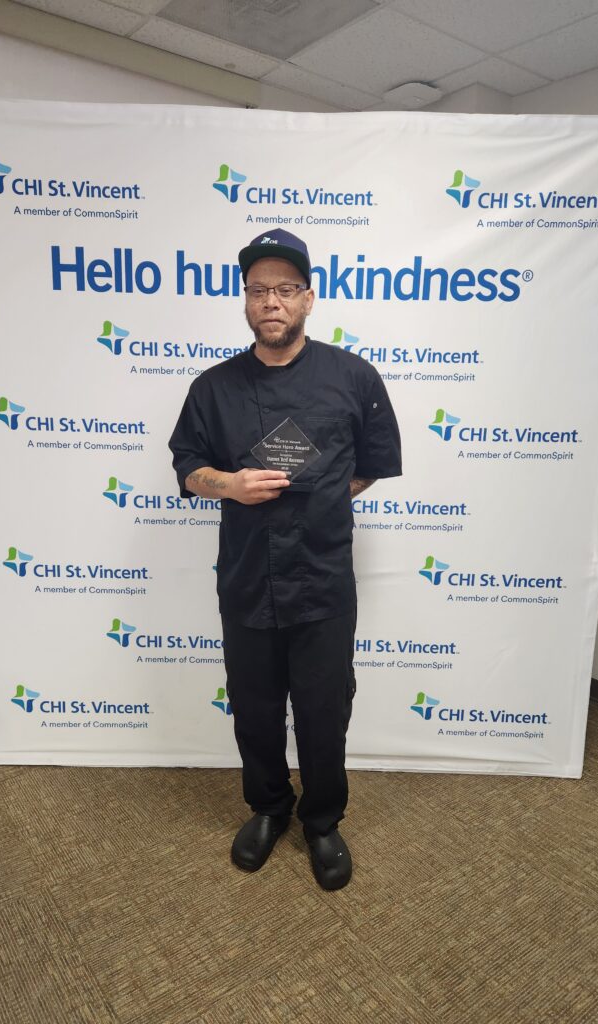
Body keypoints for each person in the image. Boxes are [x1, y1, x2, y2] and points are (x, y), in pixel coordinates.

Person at [169, 228, 402, 890]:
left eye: (286, 289)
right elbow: (187, 468)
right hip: (247, 578)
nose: (271, 301)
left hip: (323, 580)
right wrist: (230, 484)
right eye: (258, 290)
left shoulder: (352, 377)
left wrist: (322, 497)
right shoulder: (213, 387)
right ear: (246, 299)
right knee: (255, 708)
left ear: (308, 297)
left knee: (326, 711)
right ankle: (270, 808)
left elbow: (372, 462)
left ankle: (323, 820)